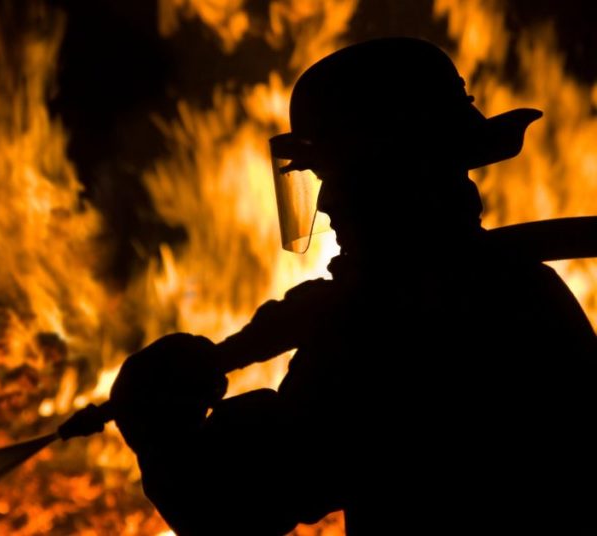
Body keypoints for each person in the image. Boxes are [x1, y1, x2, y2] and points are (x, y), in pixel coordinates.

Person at [109, 37, 597, 535]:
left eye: (338, 177)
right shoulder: (522, 287)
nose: (324, 205)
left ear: (393, 178)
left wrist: (158, 427)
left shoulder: (389, 327)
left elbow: (233, 501)